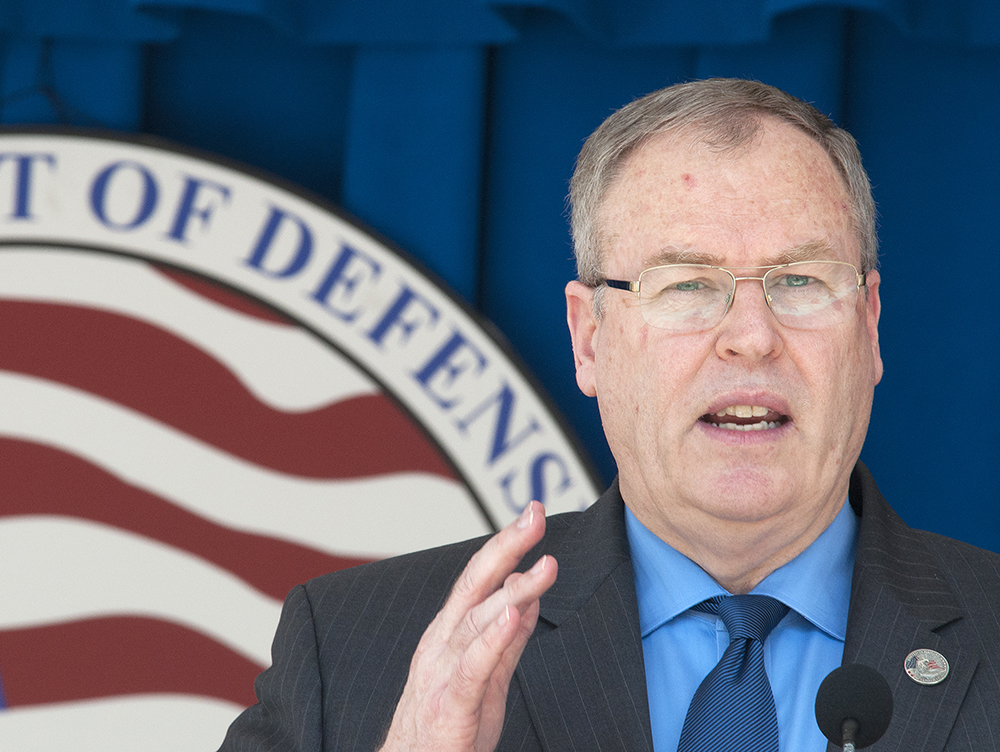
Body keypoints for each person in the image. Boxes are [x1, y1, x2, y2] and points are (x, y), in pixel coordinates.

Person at [218, 79, 1000, 752]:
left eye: (800, 281)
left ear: (868, 326)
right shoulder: (354, 650)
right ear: (589, 340)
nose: (752, 338)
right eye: (686, 285)